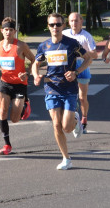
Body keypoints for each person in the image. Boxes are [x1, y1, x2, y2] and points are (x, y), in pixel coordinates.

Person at [32, 12, 88, 170]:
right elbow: (36, 64)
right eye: (52, 25)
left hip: (69, 89)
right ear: (48, 26)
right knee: (56, 125)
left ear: (63, 26)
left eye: (58, 24)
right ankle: (66, 158)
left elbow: (89, 58)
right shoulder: (44, 46)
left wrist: (76, 72)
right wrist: (36, 75)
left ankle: (75, 121)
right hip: (51, 88)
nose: (55, 27)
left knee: (67, 127)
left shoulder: (72, 43)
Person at [0, 17, 36, 155]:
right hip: (4, 83)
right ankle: (7, 145)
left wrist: (27, 73)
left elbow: (34, 60)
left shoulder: (21, 46)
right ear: (2, 30)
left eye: (11, 30)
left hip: (19, 85)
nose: (8, 32)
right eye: (6, 30)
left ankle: (25, 104)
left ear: (15, 31)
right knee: (2, 111)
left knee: (15, 119)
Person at [62, 12, 96, 132]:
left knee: (82, 97)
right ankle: (74, 120)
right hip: (68, 68)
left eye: (76, 21)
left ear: (81, 21)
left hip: (83, 67)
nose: (74, 23)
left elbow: (95, 54)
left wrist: (82, 52)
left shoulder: (86, 36)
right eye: (71, 21)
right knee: (69, 96)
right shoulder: (64, 34)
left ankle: (84, 119)